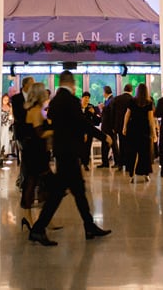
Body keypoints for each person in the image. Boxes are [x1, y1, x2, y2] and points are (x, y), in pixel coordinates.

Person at [28, 71, 112, 247]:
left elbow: (55, 122)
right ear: (71, 83)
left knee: (78, 191)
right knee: (59, 193)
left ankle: (89, 226)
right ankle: (38, 228)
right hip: (69, 152)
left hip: (62, 151)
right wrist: (103, 136)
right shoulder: (71, 100)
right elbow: (82, 123)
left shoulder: (55, 101)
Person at [17, 83, 52, 229]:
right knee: (33, 182)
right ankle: (29, 217)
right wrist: (56, 131)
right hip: (35, 152)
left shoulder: (34, 109)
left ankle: (35, 218)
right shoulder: (36, 111)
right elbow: (40, 133)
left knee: (35, 182)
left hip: (35, 151)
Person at [122, 83, 157, 182]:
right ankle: (145, 174)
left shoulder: (132, 101)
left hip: (133, 129)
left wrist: (124, 127)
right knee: (144, 153)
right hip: (144, 130)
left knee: (132, 152)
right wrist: (154, 133)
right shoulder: (149, 102)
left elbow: (127, 114)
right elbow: (151, 119)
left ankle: (132, 175)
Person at [111, 84, 134, 172]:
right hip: (130, 125)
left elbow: (112, 113)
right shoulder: (132, 99)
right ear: (131, 90)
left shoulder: (117, 99)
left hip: (119, 126)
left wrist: (113, 125)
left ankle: (120, 164)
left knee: (121, 144)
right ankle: (128, 164)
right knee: (129, 145)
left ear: (124, 89)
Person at [97, 85, 115, 168]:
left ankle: (110, 162)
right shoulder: (108, 100)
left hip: (108, 127)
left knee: (111, 144)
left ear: (105, 92)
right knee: (107, 144)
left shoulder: (111, 100)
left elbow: (111, 114)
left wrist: (103, 108)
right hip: (107, 126)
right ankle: (105, 162)